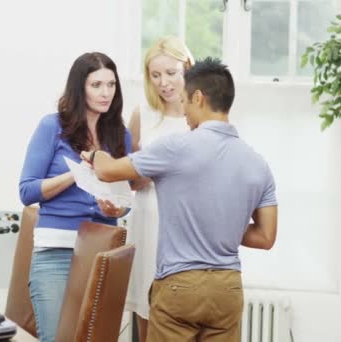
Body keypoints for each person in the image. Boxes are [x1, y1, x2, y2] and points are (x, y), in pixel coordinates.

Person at [81, 57, 278, 341]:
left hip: (179, 285)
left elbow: (109, 171)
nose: (183, 110)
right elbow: (265, 237)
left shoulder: (176, 147)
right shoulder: (257, 163)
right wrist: (223, 225)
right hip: (228, 288)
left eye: (185, 101)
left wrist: (95, 155)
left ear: (198, 98)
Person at [19, 52, 132, 342]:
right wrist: (76, 174)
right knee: (58, 338)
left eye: (111, 84)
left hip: (102, 253)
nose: (105, 92)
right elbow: (27, 190)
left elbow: (122, 201)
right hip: (56, 252)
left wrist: (113, 209)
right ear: (79, 87)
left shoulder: (121, 135)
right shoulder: (52, 127)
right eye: (96, 85)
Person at [124, 36, 194, 342]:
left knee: (183, 313)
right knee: (145, 305)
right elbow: (130, 178)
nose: (164, 83)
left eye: (171, 73)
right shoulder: (143, 114)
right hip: (147, 221)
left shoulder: (201, 117)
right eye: (156, 75)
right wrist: (155, 170)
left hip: (185, 227)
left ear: (187, 69)